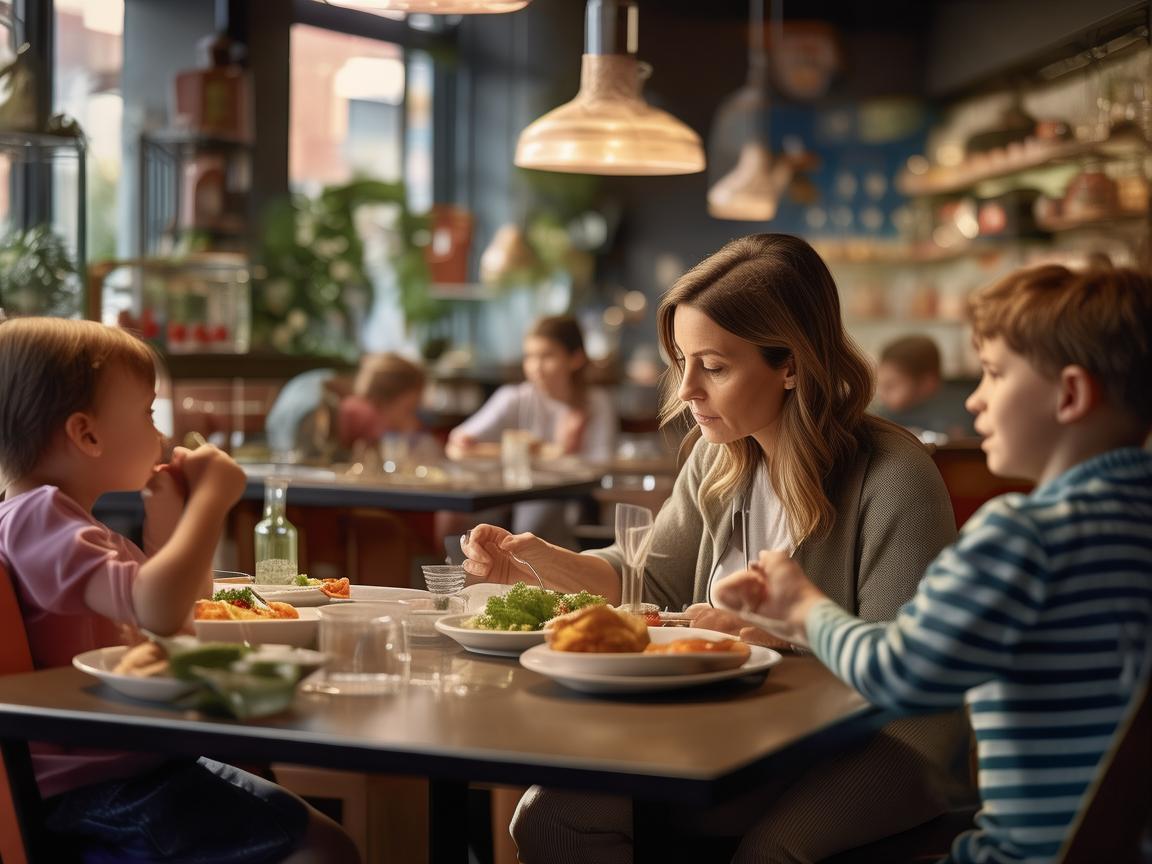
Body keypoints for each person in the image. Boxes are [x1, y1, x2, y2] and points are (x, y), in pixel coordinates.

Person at [462, 234, 971, 862]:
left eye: (716, 367)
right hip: (732, 728)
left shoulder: (893, 475)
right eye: (682, 361)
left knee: (767, 853)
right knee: (553, 816)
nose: (687, 391)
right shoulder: (720, 454)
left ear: (791, 364)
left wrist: (776, 630)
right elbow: (656, 584)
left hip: (884, 744)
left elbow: (910, 669)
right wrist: (541, 564)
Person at [714, 262, 1152, 864]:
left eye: (994, 374)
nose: (974, 397)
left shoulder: (1023, 537)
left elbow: (900, 674)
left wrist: (804, 607)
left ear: (1071, 394)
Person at [0, 318, 359, 864]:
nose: (162, 435)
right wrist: (211, 504)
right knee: (322, 848)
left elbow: (182, 613)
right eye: (147, 413)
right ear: (86, 434)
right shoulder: (36, 517)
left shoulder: (69, 525)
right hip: (97, 791)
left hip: (134, 767)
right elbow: (160, 610)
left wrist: (170, 528)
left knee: (321, 834)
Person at [446, 315, 618, 548]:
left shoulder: (596, 403)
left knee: (537, 517)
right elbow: (457, 445)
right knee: (460, 523)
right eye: (529, 357)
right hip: (512, 494)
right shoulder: (514, 397)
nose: (535, 366)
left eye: (547, 356)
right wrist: (531, 452)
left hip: (568, 501)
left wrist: (542, 456)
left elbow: (601, 466)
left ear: (575, 358)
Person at [264, 352, 434, 463]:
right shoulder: (314, 415)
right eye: (408, 410)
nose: (410, 424)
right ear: (379, 402)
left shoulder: (332, 391)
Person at [874, 334, 975, 440]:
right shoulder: (882, 416)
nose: (882, 393)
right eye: (881, 384)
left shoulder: (963, 412)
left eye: (891, 385)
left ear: (927, 384)